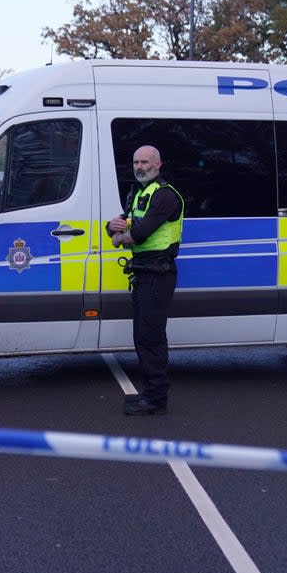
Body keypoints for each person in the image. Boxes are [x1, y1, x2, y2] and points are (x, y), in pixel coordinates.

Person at [107, 145, 184, 416]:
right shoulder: (138, 192)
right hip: (142, 272)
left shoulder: (165, 195)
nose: (139, 167)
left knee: (151, 337)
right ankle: (149, 393)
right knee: (141, 335)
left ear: (158, 164)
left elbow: (140, 233)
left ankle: (156, 399)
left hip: (158, 273)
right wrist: (112, 229)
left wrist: (120, 236)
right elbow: (120, 223)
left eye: (145, 162)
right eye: (136, 162)